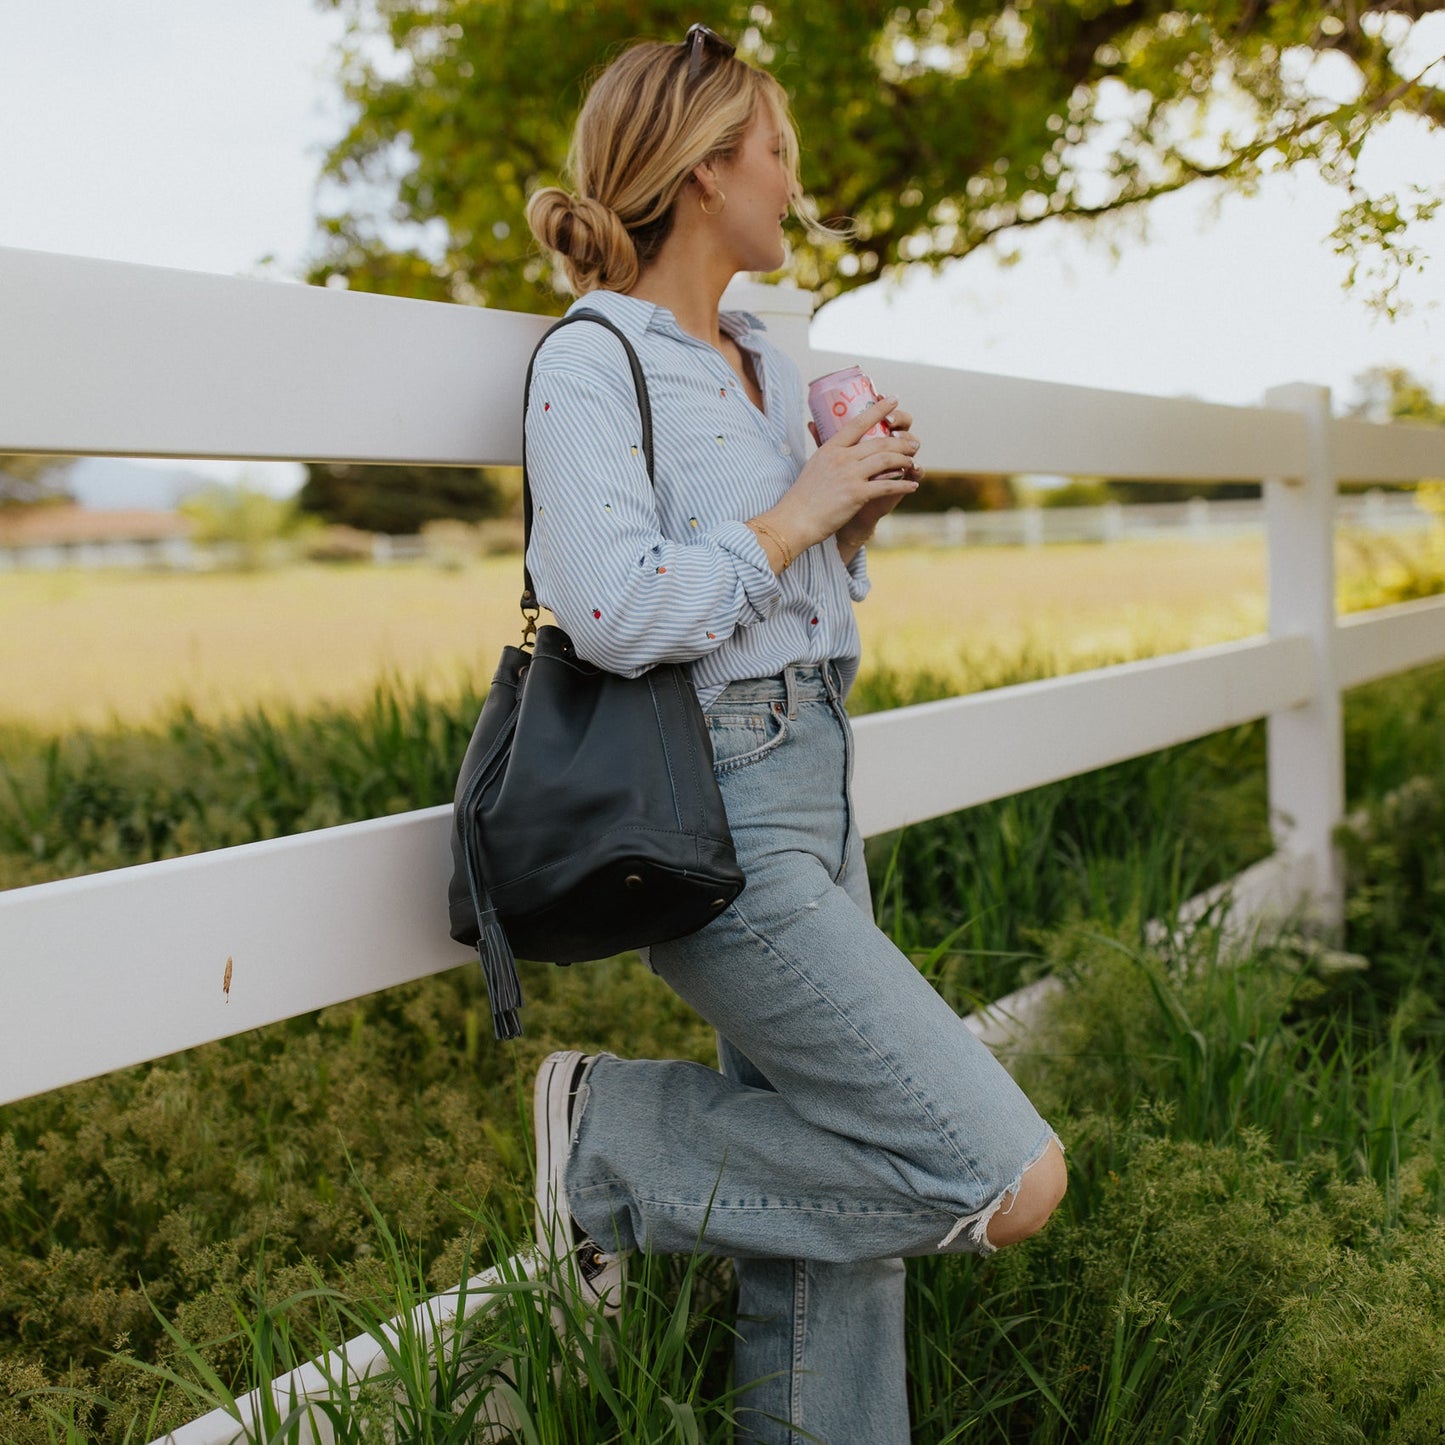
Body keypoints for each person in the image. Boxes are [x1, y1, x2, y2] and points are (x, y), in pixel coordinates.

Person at [519, 25, 1066, 1444]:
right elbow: (612, 608)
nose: (794, 182)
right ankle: (606, 1146)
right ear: (705, 171)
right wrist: (796, 511)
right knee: (995, 1177)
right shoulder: (595, 361)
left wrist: (848, 511)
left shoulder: (767, 351)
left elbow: (784, 584)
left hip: (820, 768)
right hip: (718, 802)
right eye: (776, 152)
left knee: (839, 1237)